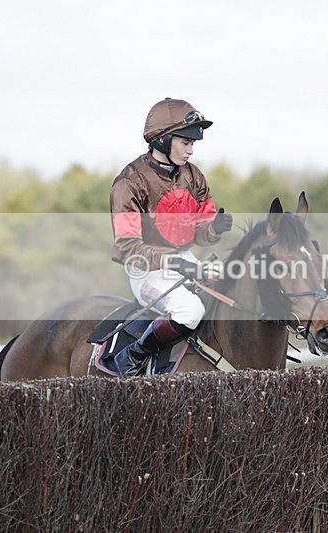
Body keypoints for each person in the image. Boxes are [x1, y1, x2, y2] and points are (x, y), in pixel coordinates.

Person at [109, 98, 233, 377]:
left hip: (186, 259)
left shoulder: (193, 176)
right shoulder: (130, 182)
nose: (190, 151)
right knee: (189, 312)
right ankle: (132, 355)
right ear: (163, 140)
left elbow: (200, 233)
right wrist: (175, 263)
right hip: (147, 269)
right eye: (185, 143)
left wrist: (215, 228)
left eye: (193, 145)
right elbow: (127, 246)